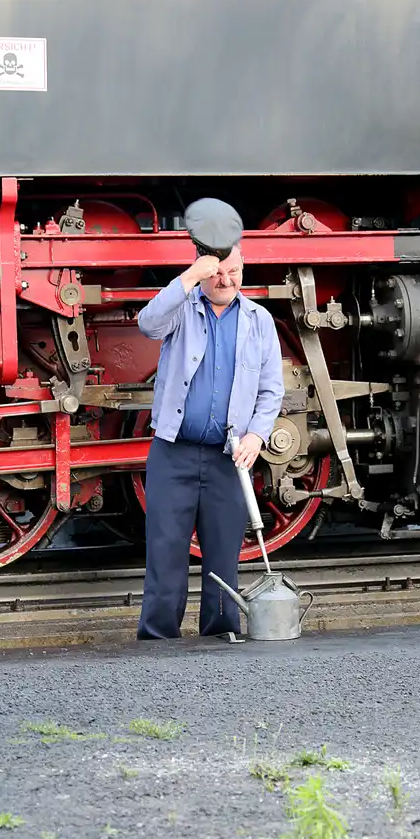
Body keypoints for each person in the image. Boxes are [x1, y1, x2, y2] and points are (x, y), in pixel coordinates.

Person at [136, 198, 285, 640]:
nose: (225, 279)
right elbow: (147, 323)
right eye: (217, 271)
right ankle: (158, 638)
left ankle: (222, 638)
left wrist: (258, 436)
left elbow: (271, 389)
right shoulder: (182, 306)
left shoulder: (260, 321)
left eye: (234, 272)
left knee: (223, 555)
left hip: (229, 458)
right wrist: (188, 277)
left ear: (244, 271)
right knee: (165, 552)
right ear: (203, 271)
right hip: (173, 452)